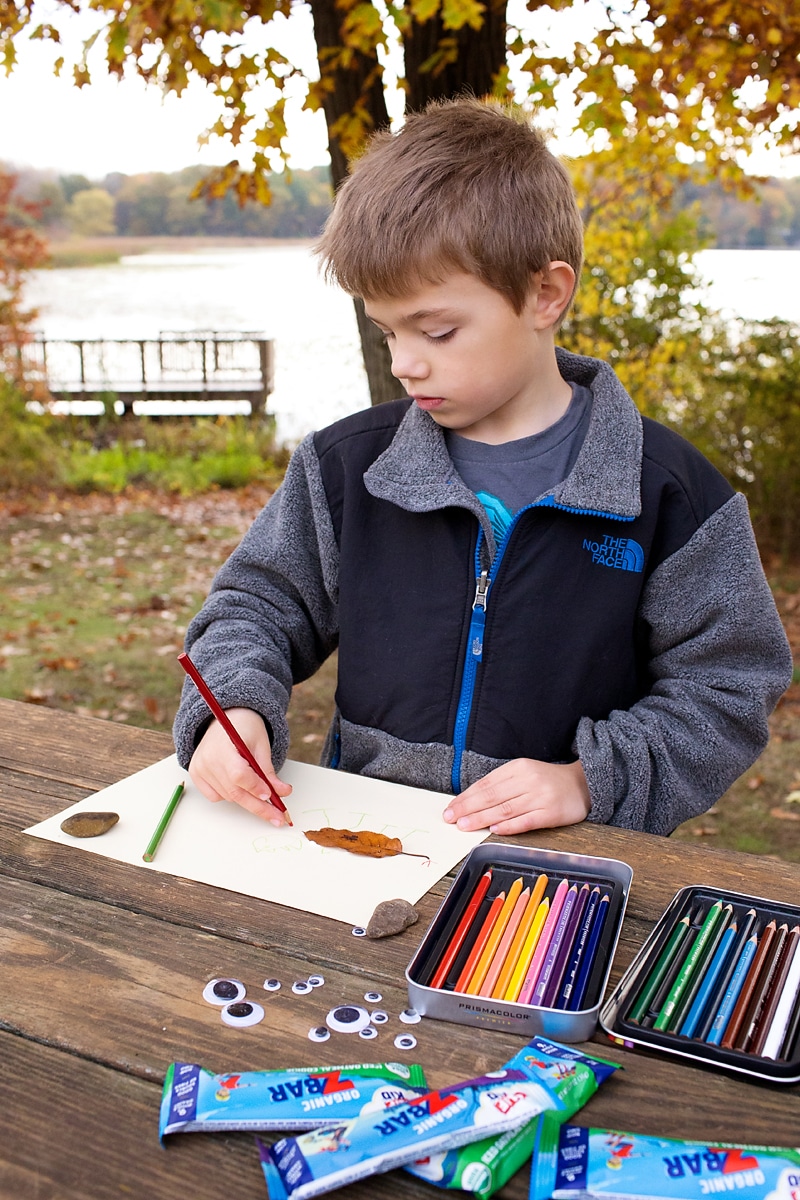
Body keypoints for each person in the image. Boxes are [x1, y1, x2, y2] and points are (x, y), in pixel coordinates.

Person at [173, 98, 792, 837]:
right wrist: (233, 707)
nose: (403, 362)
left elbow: (727, 686)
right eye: (385, 331)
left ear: (544, 294)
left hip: (564, 870)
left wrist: (589, 780)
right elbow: (257, 608)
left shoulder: (670, 494)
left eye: (437, 330)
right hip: (357, 848)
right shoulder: (346, 468)